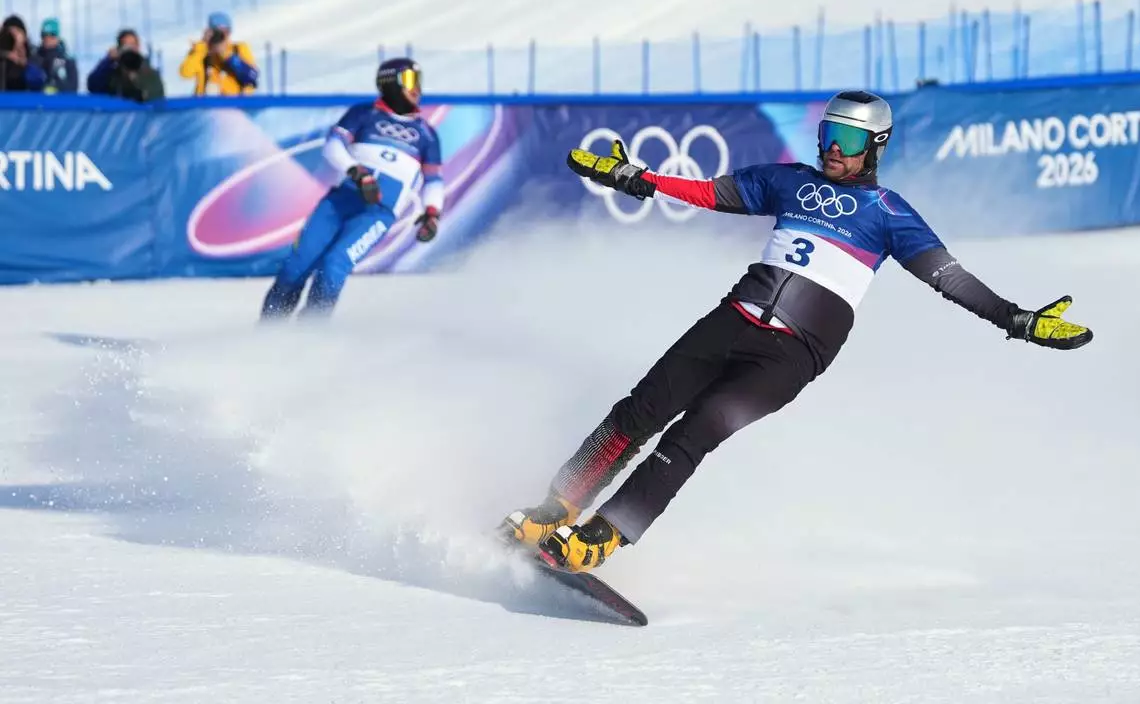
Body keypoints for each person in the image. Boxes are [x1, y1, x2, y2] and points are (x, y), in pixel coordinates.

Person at [502, 90, 1094, 573]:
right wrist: (640, 178)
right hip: (733, 318)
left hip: (794, 354)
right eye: (830, 134)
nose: (837, 147)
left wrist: (1015, 319)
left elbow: (950, 278)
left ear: (876, 146)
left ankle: (599, 540)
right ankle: (554, 510)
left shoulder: (888, 213)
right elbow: (709, 192)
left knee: (693, 435)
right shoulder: (787, 181)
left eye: (853, 139)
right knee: (637, 412)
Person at [260, 58, 443, 319]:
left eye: (419, 81)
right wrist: (357, 173)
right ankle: (268, 330)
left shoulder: (426, 134)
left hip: (377, 213)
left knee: (333, 265)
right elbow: (333, 146)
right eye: (411, 80)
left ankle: (310, 334)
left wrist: (433, 213)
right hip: (339, 202)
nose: (417, 89)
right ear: (390, 82)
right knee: (295, 268)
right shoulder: (364, 114)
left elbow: (434, 181)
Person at [179, 11, 258, 96]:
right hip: (206, 105)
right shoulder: (201, 52)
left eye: (225, 32)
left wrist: (227, 55)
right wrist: (202, 46)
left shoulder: (238, 49)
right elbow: (185, 73)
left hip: (235, 104)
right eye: (218, 32)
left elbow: (251, 76)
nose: (221, 36)